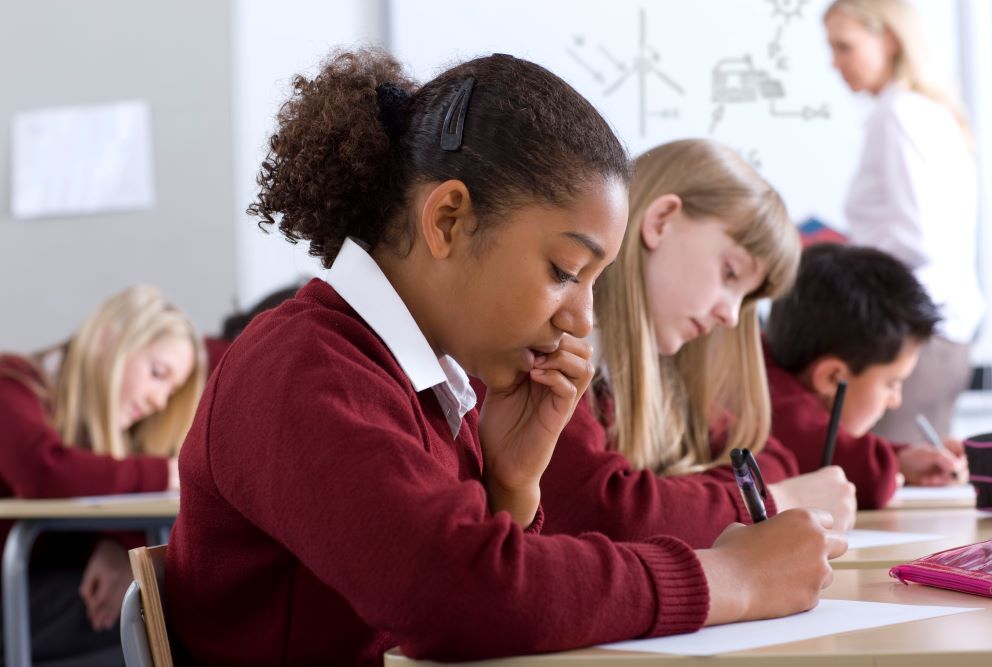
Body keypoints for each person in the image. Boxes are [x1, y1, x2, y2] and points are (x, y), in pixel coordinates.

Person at [164, 50, 847, 666]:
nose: (581, 317)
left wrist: (512, 485)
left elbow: (471, 583)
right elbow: (461, 595)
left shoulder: (424, 380)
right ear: (448, 221)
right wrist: (734, 579)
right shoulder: (302, 367)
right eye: (564, 269)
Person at [540, 139, 857, 548]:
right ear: (661, 221)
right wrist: (778, 501)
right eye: (729, 273)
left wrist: (683, 501)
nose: (730, 314)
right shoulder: (551, 347)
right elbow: (607, 512)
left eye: (745, 297)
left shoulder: (660, 372)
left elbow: (769, 458)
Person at [0, 284, 205, 665]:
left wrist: (117, 543)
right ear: (108, 340)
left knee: (154, 611)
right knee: (160, 618)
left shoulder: (110, 440)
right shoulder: (11, 382)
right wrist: (164, 472)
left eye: (171, 391)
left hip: (38, 589)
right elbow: (46, 473)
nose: (159, 402)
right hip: (11, 592)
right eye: (157, 374)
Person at [824, 0, 983, 440]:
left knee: (892, 487)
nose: (835, 63)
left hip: (916, 338)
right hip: (940, 335)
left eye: (845, 46)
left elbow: (917, 240)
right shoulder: (925, 112)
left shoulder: (898, 115)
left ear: (889, 40)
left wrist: (844, 259)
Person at [766, 243, 967, 509]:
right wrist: (888, 467)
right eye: (891, 384)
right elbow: (863, 475)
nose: (895, 400)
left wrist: (902, 460)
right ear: (832, 378)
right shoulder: (779, 403)